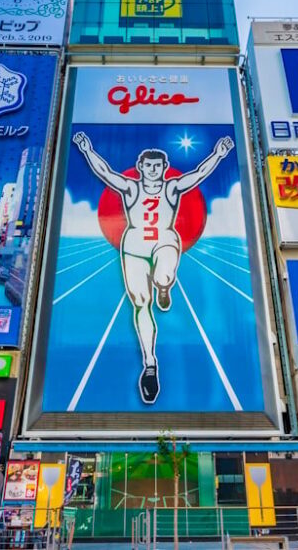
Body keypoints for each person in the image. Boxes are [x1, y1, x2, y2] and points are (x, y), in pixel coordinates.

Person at [72, 132, 234, 404]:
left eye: (158, 166)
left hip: (165, 240)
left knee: (164, 274)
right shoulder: (131, 188)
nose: (153, 170)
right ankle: (150, 364)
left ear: (163, 168)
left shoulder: (171, 188)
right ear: (141, 167)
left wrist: (218, 154)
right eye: (148, 165)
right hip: (134, 244)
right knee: (140, 302)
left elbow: (197, 175)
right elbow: (105, 173)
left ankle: (163, 286)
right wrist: (87, 150)